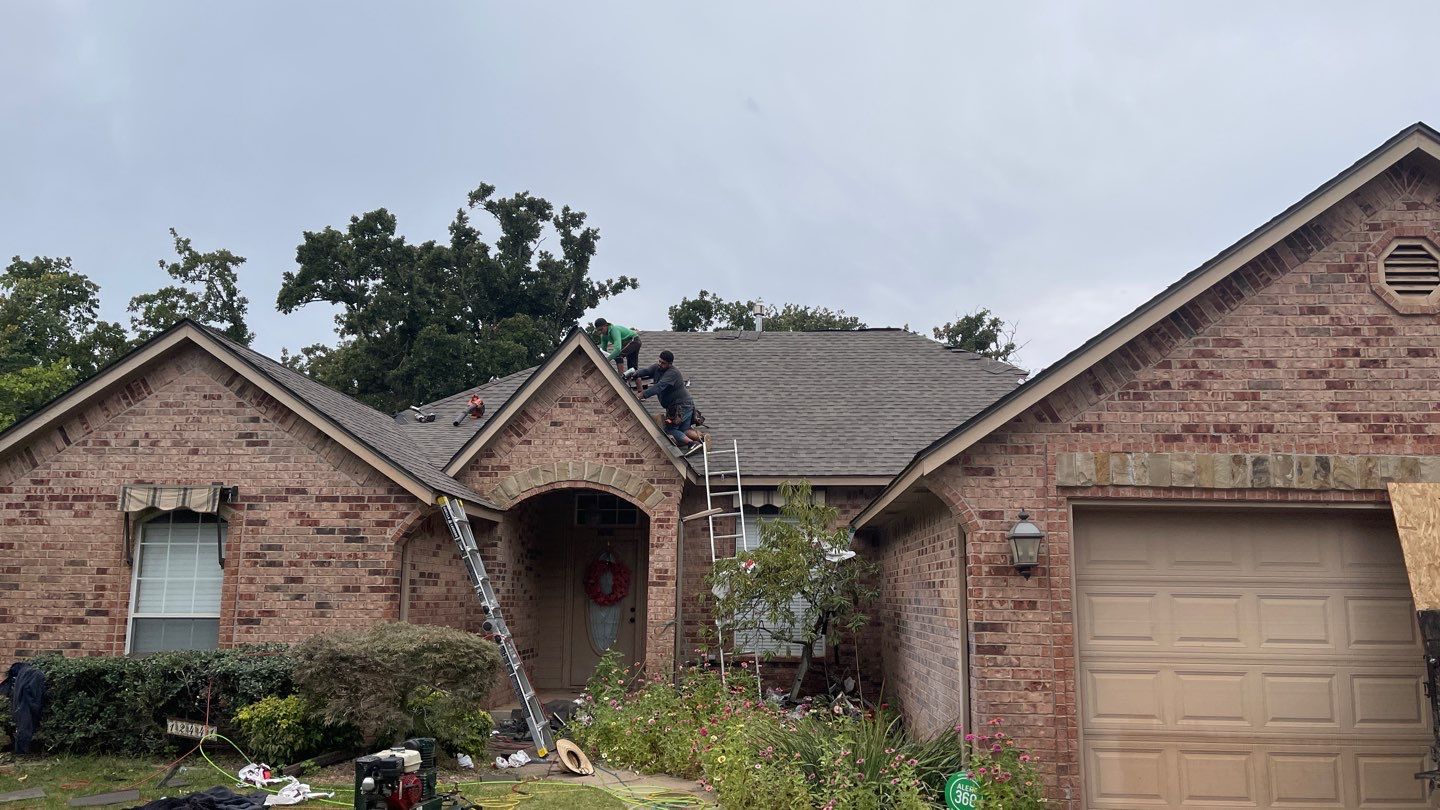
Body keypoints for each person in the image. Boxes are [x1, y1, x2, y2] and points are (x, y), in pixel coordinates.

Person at [626, 350, 703, 455]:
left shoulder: (672, 373)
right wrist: (634, 374)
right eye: (659, 361)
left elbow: (660, 386)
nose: (660, 364)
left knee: (669, 430)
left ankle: (692, 444)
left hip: (681, 406)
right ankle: (702, 440)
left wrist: (642, 394)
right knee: (683, 430)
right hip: (682, 405)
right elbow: (647, 371)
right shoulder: (657, 368)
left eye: (663, 363)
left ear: (670, 364)